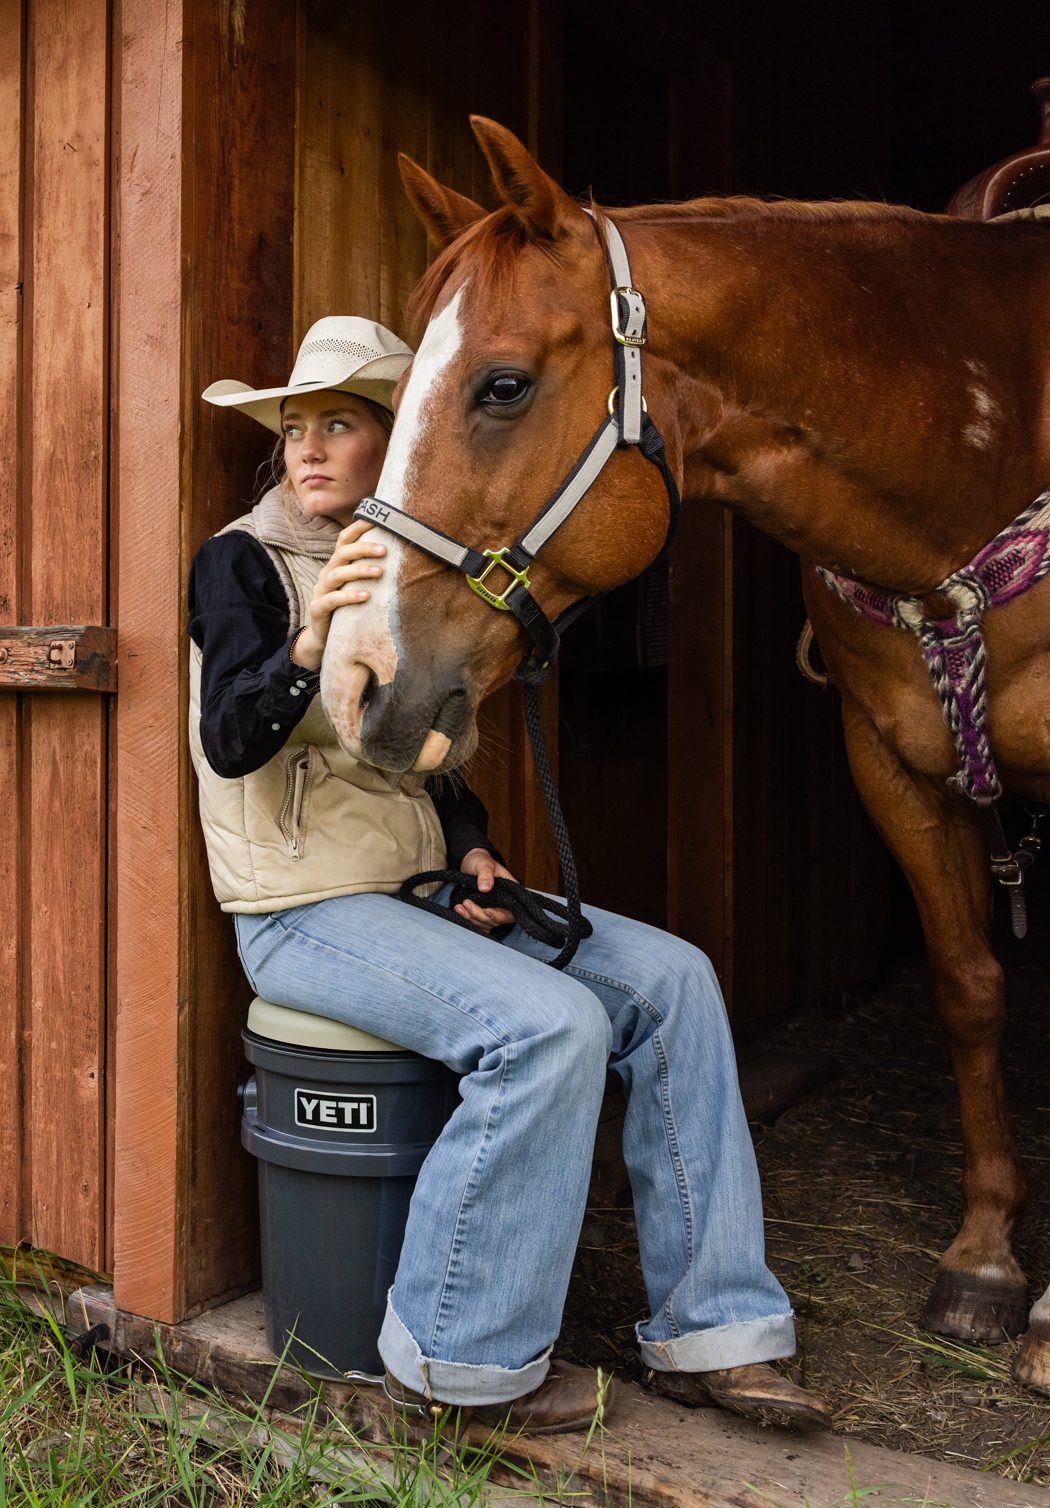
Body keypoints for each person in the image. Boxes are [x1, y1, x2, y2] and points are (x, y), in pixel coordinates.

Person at [188, 317, 830, 1434]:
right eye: (296, 427)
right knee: (550, 1027)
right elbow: (231, 738)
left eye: (337, 425)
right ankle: (456, 1363)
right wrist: (306, 643)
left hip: (418, 895)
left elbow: (422, 751)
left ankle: (714, 1331)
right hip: (302, 911)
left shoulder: (419, 572)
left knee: (671, 981)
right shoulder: (243, 559)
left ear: (393, 448)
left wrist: (473, 842)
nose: (307, 447)